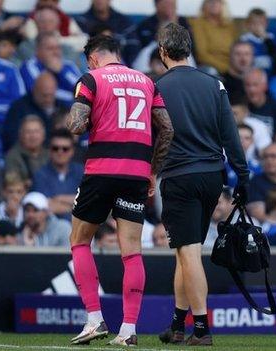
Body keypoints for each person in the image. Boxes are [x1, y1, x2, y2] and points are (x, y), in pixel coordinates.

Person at [67, 34, 172, 346]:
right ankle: (128, 330)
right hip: (137, 173)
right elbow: (167, 128)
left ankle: (94, 319)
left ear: (93, 57)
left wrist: (86, 116)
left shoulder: (91, 78)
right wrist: (153, 171)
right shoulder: (147, 82)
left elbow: (75, 125)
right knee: (132, 251)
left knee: (79, 241)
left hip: (101, 170)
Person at [155, 23, 246, 346]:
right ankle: (178, 326)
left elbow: (151, 137)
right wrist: (243, 175)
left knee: (190, 253)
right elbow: (230, 135)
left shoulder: (156, 87)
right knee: (185, 250)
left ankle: (203, 328)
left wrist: (147, 173)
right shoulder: (215, 85)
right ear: (189, 50)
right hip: (212, 178)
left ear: (163, 52)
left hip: (179, 177)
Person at [32, 129, 83, 221]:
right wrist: (77, 206)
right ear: (50, 150)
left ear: (72, 151)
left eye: (65, 149)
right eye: (55, 148)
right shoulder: (40, 174)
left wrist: (59, 198)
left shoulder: (82, 171)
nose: (60, 152)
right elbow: (46, 206)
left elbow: (89, 202)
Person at [20, 33, 81, 107]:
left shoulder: (68, 65)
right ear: (38, 51)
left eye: (58, 48)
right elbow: (43, 93)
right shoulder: (29, 66)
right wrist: (72, 99)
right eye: (50, 48)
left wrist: (61, 71)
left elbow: (83, 90)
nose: (55, 52)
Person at [22, 1, 89, 54]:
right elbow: (35, 44)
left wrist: (58, 41)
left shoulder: (65, 19)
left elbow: (85, 42)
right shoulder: (31, 20)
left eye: (54, 0)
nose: (49, 2)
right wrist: (71, 40)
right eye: (45, 0)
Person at [189, 0, 235, 75]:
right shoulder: (198, 23)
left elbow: (236, 50)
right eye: (210, 1)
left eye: (218, 1)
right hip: (210, 66)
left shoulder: (229, 25)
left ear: (223, 5)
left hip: (231, 66)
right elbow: (202, 55)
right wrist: (226, 68)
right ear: (204, 5)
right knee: (211, 71)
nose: (214, 4)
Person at [4, 115, 49, 183]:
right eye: (28, 132)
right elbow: (14, 183)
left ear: (43, 135)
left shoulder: (51, 154)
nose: (33, 136)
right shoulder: (12, 156)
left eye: (36, 131)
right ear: (21, 135)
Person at [0, 172, 26, 242]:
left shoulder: (27, 214)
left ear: (24, 193)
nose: (15, 196)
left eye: (19, 192)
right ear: (3, 192)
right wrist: (11, 216)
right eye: (11, 192)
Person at [245, 68, 276, 134]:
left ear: (265, 86)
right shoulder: (241, 105)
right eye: (248, 85)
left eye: (255, 85)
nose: (251, 90)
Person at [240, 8, 274, 73]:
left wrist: (266, 38)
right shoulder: (244, 39)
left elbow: (275, 53)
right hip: (252, 73)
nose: (258, 26)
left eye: (261, 23)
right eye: (254, 23)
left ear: (266, 24)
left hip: (270, 73)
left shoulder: (271, 37)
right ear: (248, 24)